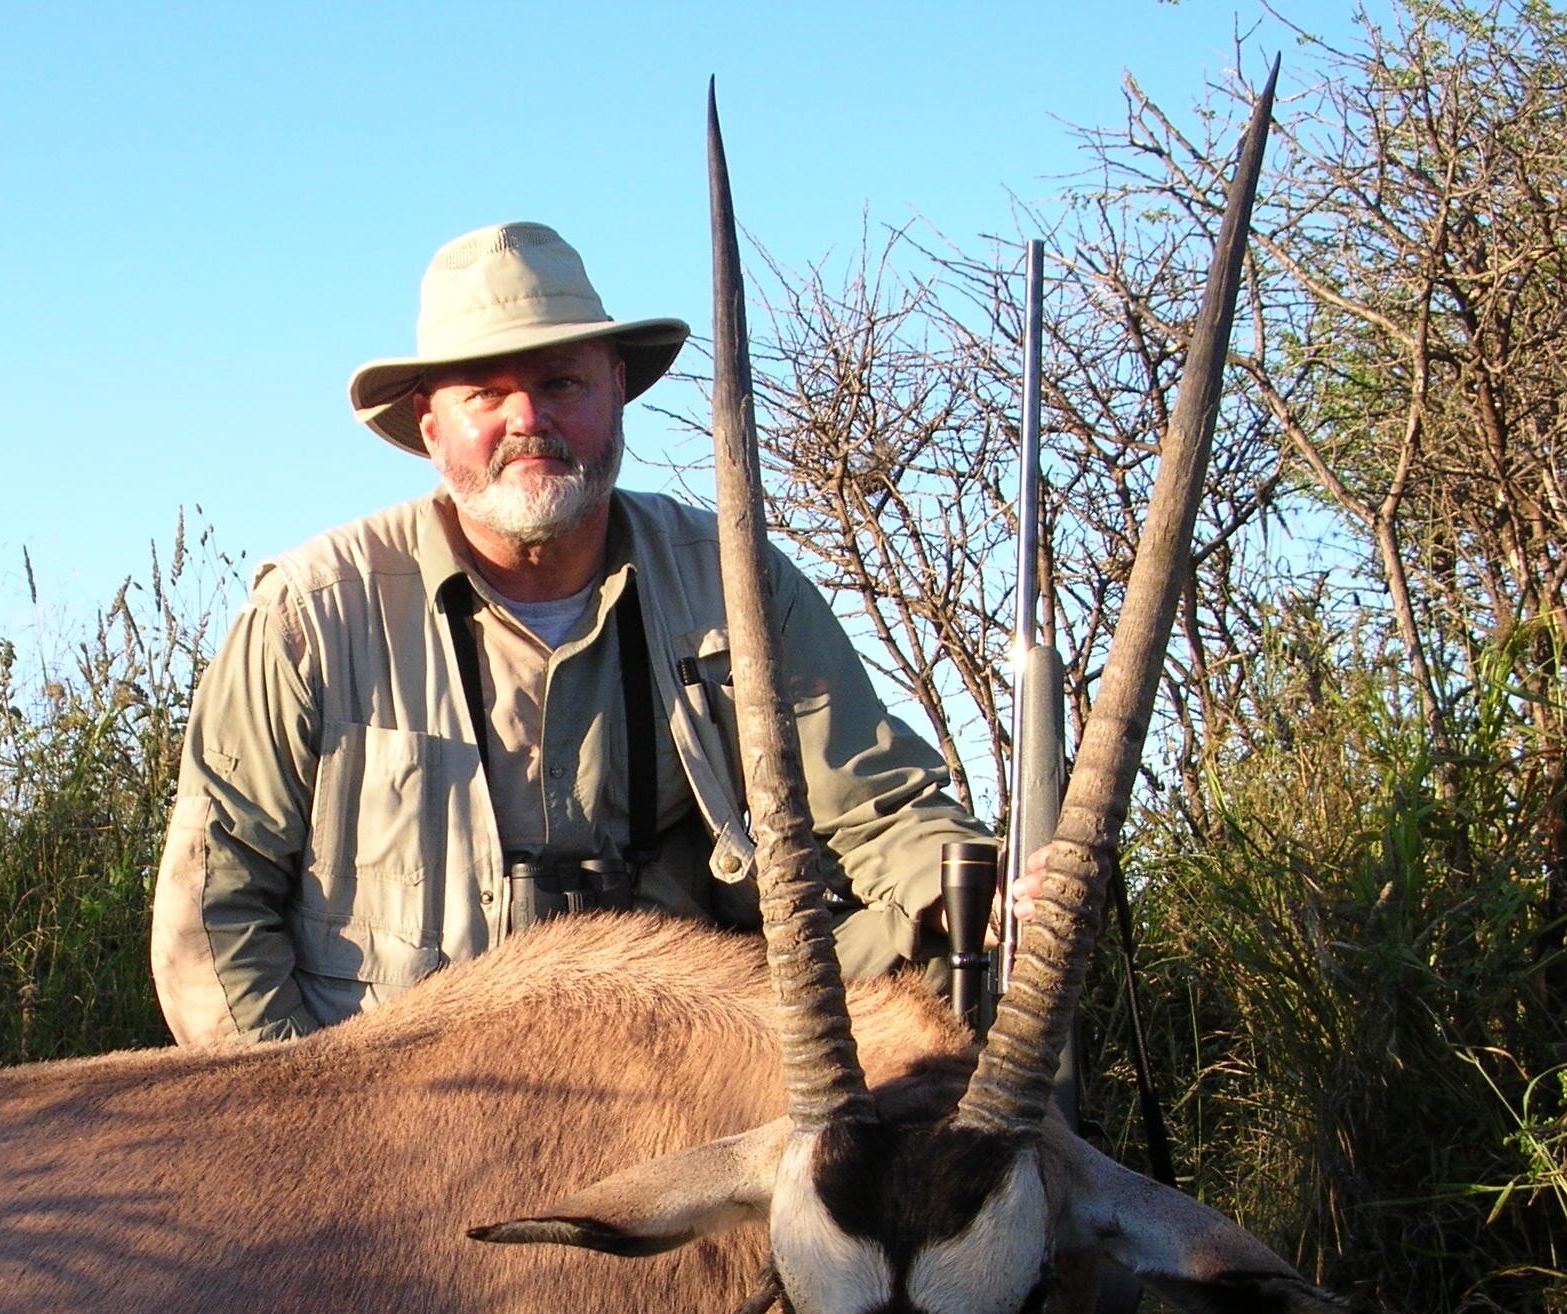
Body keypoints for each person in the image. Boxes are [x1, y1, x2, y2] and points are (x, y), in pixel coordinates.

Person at [152, 220, 1001, 1045]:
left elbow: (883, 813)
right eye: (485, 392)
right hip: (411, 1115)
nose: (528, 419)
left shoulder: (737, 581)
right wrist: (314, 1128)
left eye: (562, 383)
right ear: (429, 422)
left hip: (692, 1073)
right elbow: (212, 913)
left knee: (966, 944)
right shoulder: (311, 614)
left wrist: (996, 892)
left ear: (616, 391)